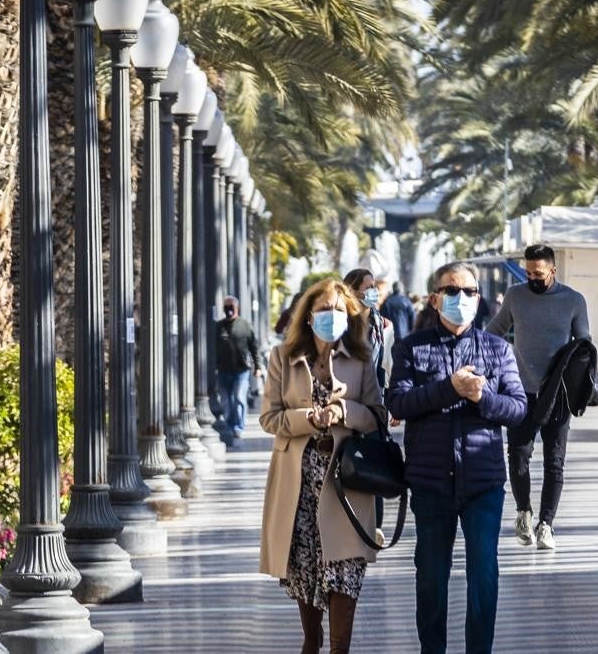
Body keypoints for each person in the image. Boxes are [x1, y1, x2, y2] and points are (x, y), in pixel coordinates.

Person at [388, 262, 527, 654]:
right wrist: (450, 388)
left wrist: (482, 397)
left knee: (483, 575)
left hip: (483, 483)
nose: (461, 299)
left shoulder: (497, 349)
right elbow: (398, 402)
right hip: (431, 484)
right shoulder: (411, 348)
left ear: (479, 299)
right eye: (452, 291)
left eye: (468, 292)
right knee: (431, 576)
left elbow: (517, 409)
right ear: (435, 299)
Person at [258, 279, 387, 654]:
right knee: (311, 626)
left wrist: (345, 411)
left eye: (339, 310)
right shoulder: (282, 357)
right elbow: (270, 419)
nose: (332, 316)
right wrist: (308, 419)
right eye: (324, 309)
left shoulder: (361, 360)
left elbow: (378, 416)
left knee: (343, 602)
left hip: (346, 488)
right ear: (309, 315)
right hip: (298, 489)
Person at [487, 244, 590, 551]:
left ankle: (546, 524)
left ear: (553, 271)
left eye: (538, 273)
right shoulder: (516, 296)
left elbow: (583, 343)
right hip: (520, 392)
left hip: (557, 395)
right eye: (528, 272)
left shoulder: (573, 300)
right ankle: (524, 513)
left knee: (554, 462)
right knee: (517, 456)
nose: (532, 278)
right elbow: (495, 330)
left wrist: (576, 379)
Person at [216, 295, 262, 447]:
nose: (229, 310)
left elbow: (254, 347)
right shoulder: (219, 326)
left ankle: (237, 427)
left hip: (241, 370)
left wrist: (258, 367)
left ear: (237, 308)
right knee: (226, 401)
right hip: (223, 370)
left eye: (231, 307)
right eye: (226, 306)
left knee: (238, 398)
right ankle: (229, 425)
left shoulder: (245, 326)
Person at [344, 268, 388, 389]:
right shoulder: (341, 323)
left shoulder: (379, 324)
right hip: (347, 392)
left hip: (373, 393)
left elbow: (382, 366)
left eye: (374, 286)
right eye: (369, 287)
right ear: (352, 292)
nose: (375, 291)